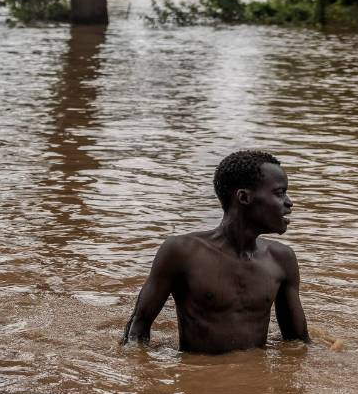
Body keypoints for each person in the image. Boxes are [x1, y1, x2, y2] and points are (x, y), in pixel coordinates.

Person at [121, 150, 309, 354]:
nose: (289, 202)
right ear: (244, 197)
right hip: (196, 379)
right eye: (280, 193)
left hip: (252, 378)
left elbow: (297, 343)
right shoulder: (181, 252)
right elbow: (136, 333)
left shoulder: (282, 259)